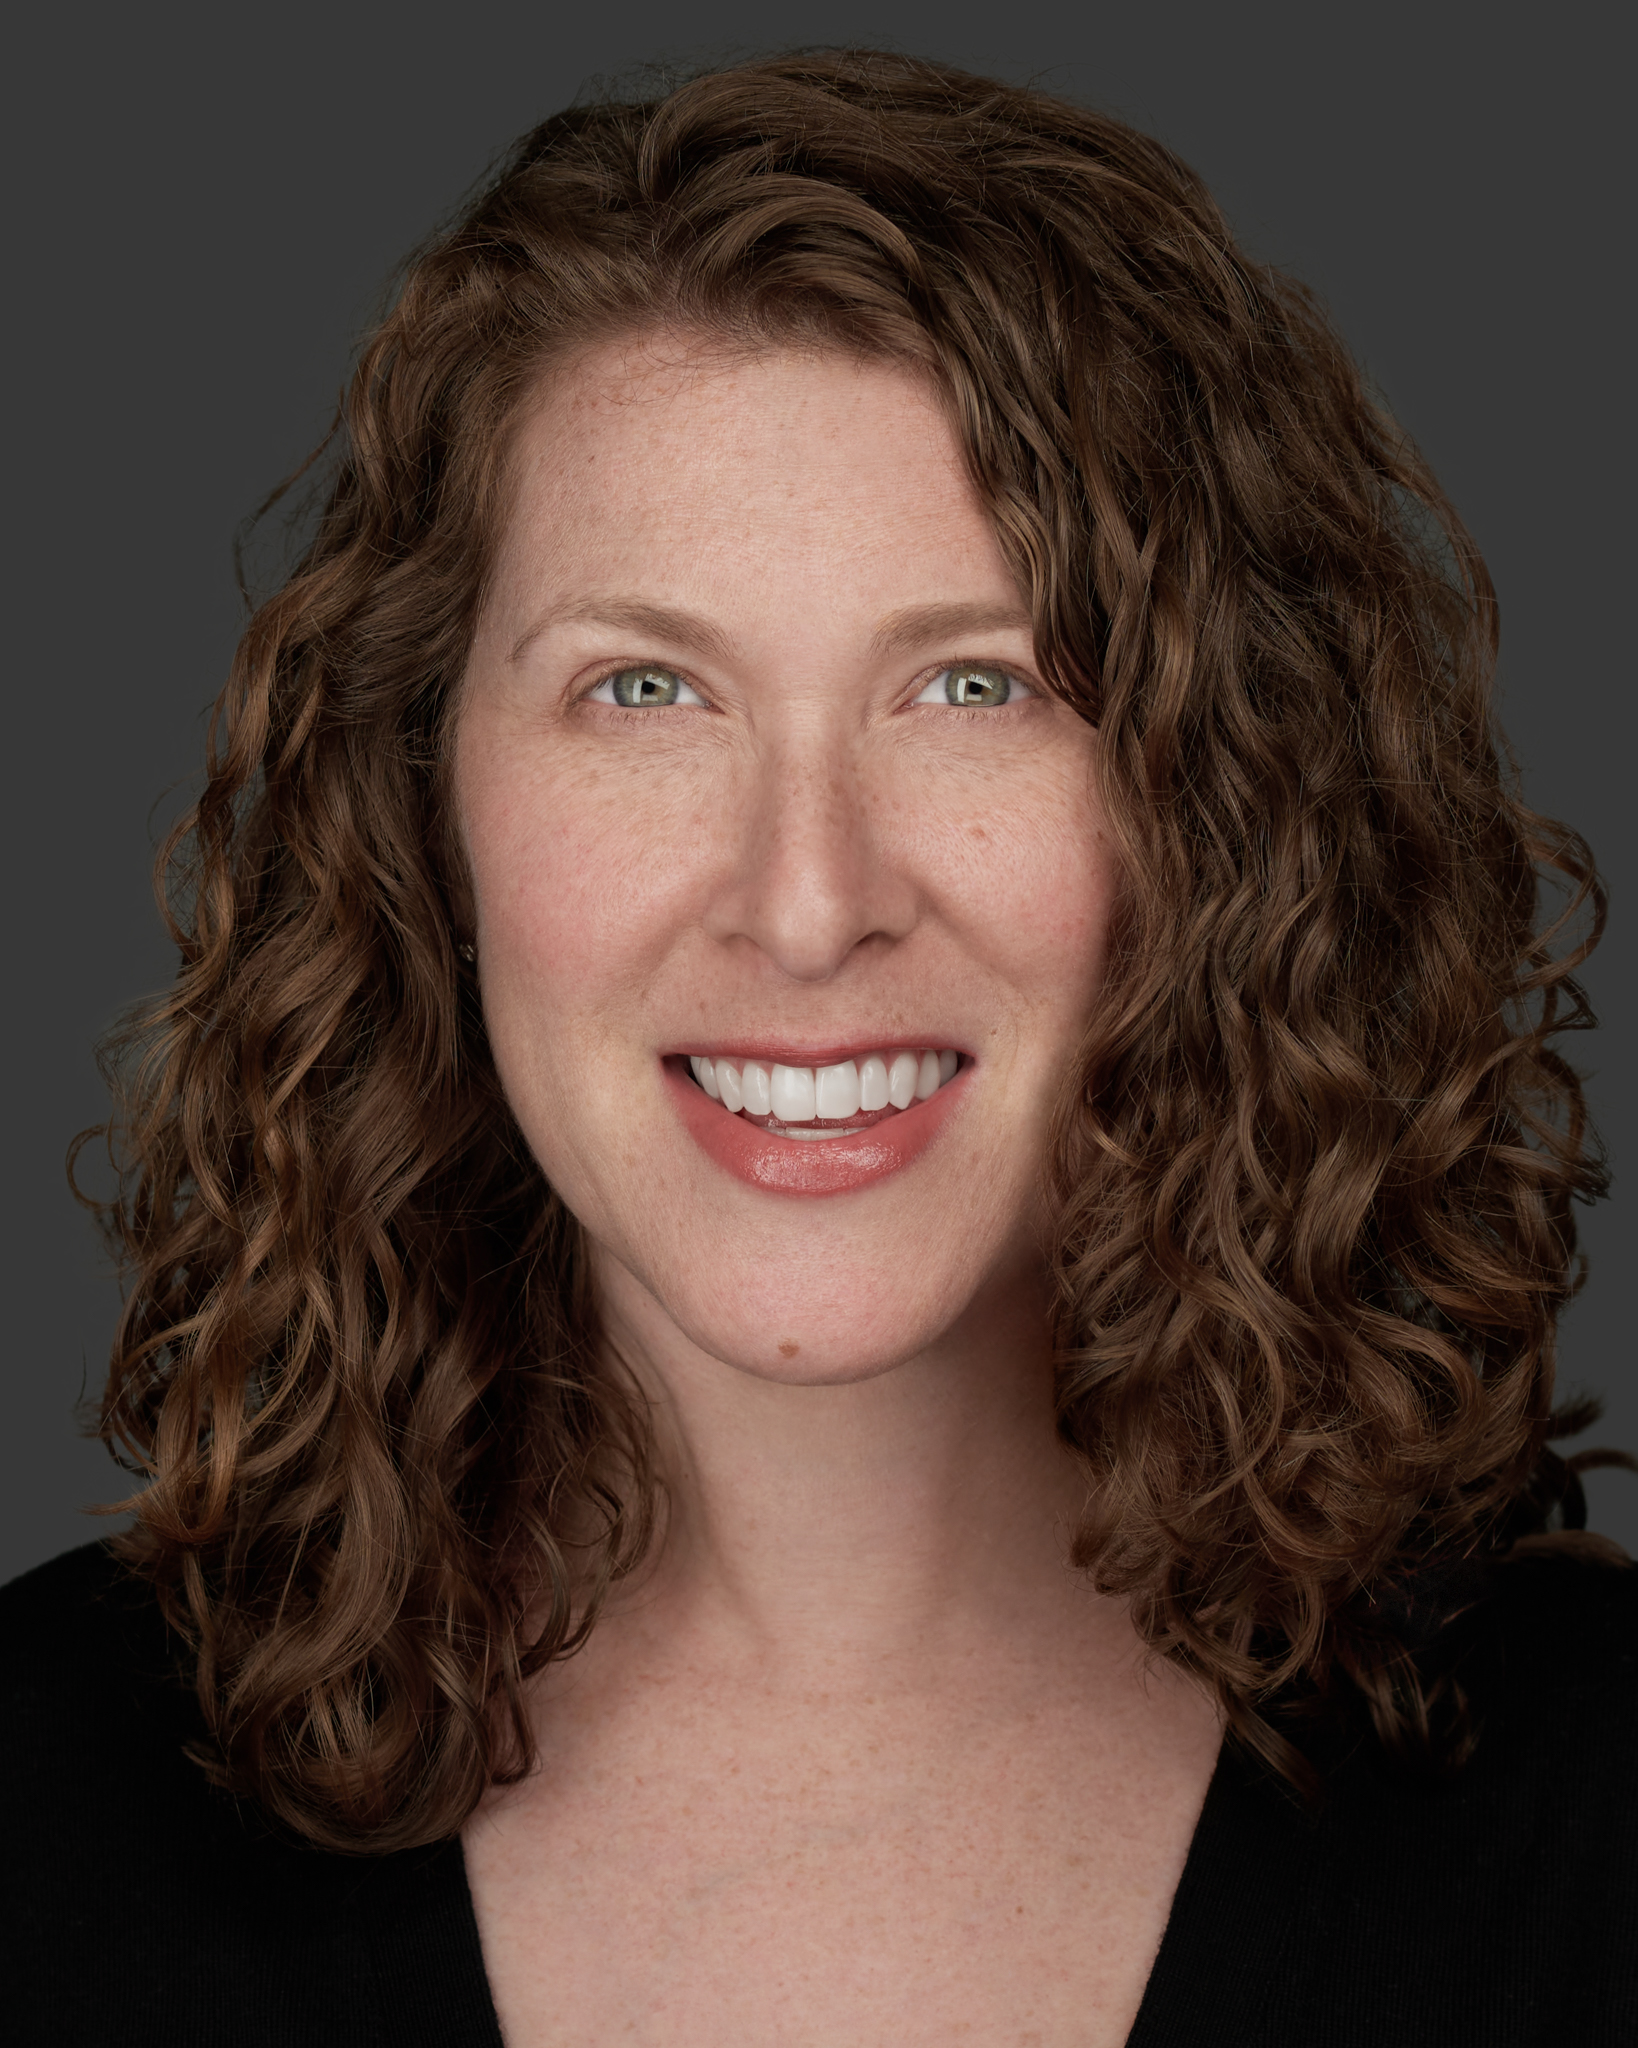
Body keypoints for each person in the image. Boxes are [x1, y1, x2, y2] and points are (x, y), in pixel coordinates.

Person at [4, 47, 1633, 2047]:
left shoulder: (1602, 1820)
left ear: (1230, 798)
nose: (804, 896)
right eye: (643, 688)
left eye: (977, 681)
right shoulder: (36, 1813)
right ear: (423, 798)